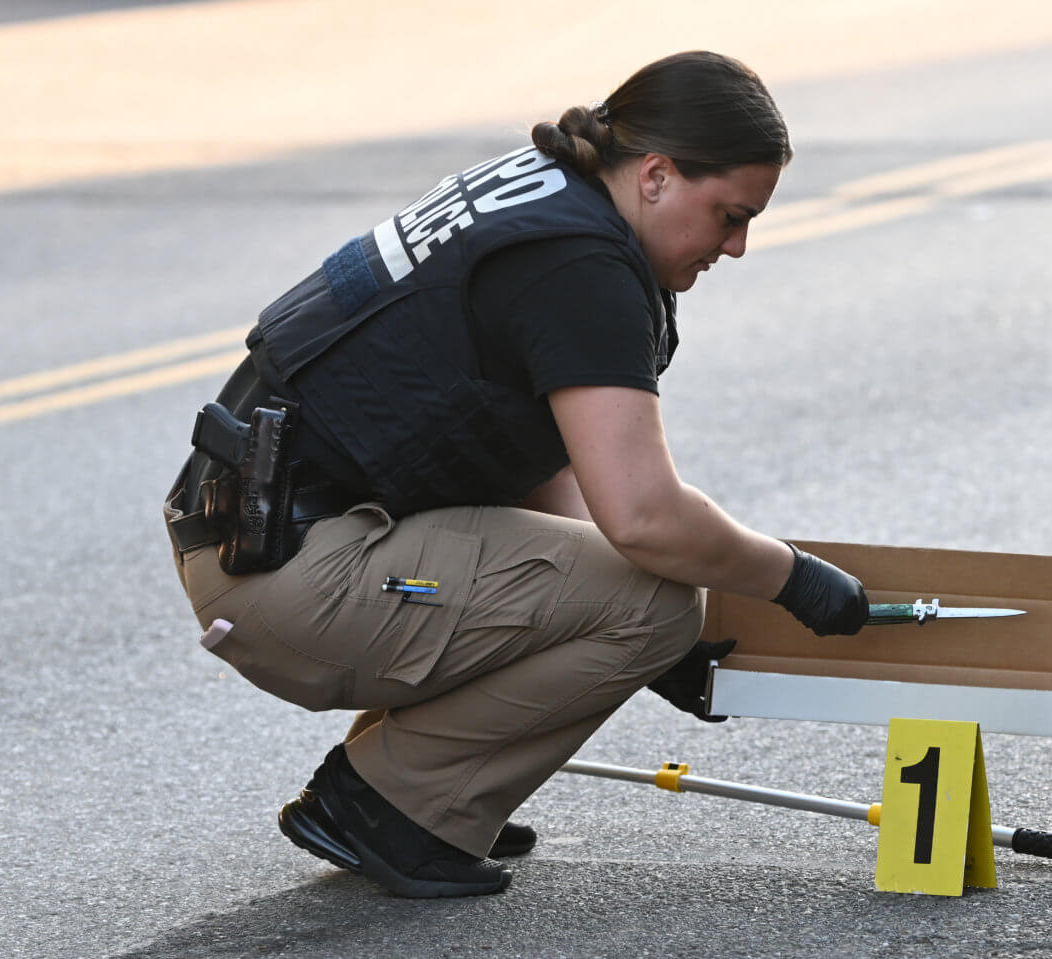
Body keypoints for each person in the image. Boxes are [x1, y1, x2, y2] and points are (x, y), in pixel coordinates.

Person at [163, 50, 869, 899]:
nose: (738, 245)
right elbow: (642, 513)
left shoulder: (548, 192)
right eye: (728, 214)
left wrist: (641, 634)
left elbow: (532, 462)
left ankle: (430, 786)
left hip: (264, 537)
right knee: (656, 601)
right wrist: (790, 577)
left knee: (638, 599)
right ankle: (390, 802)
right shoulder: (582, 266)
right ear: (656, 174)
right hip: (295, 576)